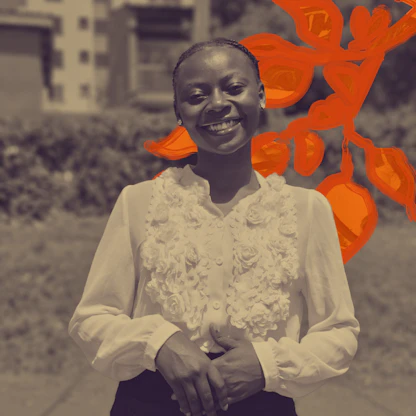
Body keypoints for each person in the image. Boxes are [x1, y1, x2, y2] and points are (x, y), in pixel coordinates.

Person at [68, 38, 360, 416]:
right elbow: (91, 318)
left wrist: (266, 365)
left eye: (234, 88)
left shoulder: (305, 210)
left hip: (262, 405)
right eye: (197, 95)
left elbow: (339, 332)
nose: (218, 103)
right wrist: (159, 343)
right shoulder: (139, 203)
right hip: (149, 404)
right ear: (179, 112)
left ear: (261, 95)